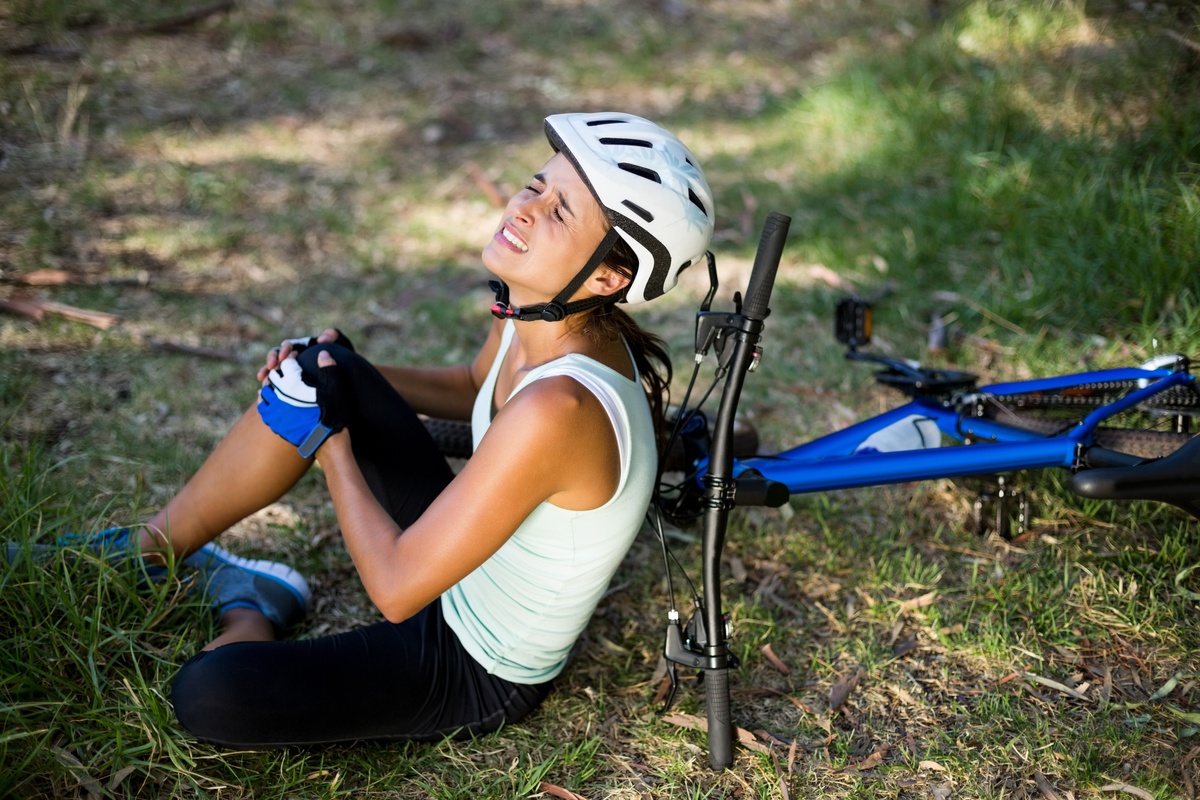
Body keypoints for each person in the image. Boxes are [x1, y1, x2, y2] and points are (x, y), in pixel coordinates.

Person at [12, 112, 715, 746]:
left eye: (560, 213)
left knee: (211, 696)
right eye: (537, 184)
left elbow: (398, 588)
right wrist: (349, 370)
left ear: (606, 277)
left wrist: (334, 447)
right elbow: (473, 387)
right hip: (459, 562)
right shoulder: (543, 318)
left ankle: (249, 603)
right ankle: (145, 549)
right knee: (323, 370)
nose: (526, 209)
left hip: (470, 664)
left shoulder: (560, 406)